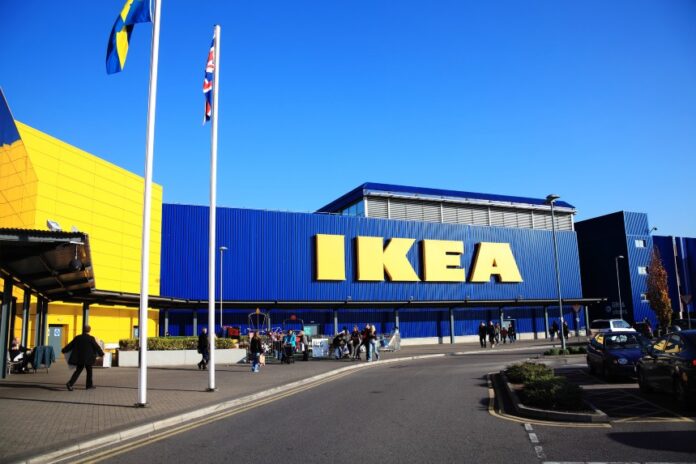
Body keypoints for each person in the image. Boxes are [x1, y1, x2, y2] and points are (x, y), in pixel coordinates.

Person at [62, 325, 104, 391]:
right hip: (88, 358)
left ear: (83, 330)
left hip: (80, 358)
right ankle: (89, 385)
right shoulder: (91, 338)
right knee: (89, 371)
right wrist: (101, 354)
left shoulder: (77, 337)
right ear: (89, 330)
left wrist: (64, 350)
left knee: (78, 371)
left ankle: (70, 383)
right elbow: (96, 347)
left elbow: (70, 345)